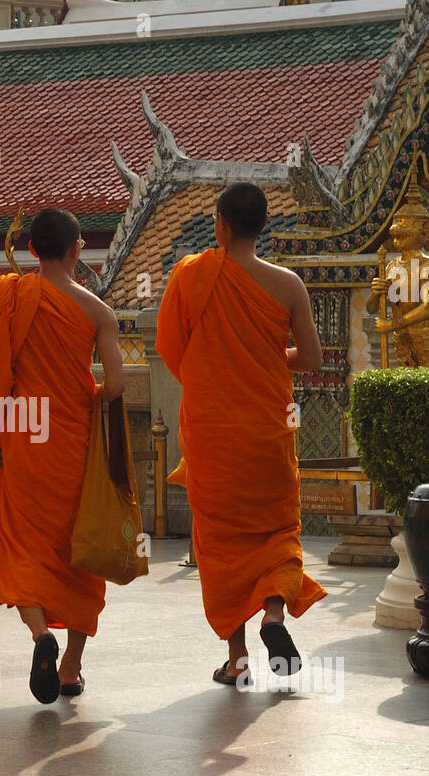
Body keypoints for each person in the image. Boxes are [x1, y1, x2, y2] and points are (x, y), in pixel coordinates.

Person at [156, 182, 327, 686]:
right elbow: (312, 360)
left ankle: (238, 660)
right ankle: (274, 616)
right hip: (268, 432)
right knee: (278, 531)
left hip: (214, 434)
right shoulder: (288, 284)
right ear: (263, 226)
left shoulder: (191, 277)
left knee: (221, 544)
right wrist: (264, 362)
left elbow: (172, 350)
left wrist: (218, 372)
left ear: (220, 225)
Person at [0, 208, 125, 703]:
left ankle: (40, 633)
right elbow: (117, 386)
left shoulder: (10, 296)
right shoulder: (97, 311)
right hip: (74, 446)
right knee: (80, 550)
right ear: (76, 249)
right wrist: (87, 395)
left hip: (24, 439)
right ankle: (70, 666)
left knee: (23, 545)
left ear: (32, 251)